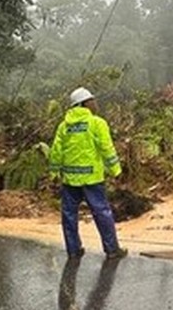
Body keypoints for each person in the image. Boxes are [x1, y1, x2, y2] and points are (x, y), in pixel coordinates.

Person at [48, 87, 127, 259]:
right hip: (92, 180)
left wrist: (53, 173)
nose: (95, 104)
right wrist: (116, 170)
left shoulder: (64, 126)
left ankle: (73, 250)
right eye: (92, 100)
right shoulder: (97, 123)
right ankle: (112, 249)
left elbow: (56, 151)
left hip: (69, 181)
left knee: (69, 215)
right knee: (102, 213)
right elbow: (107, 148)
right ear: (83, 104)